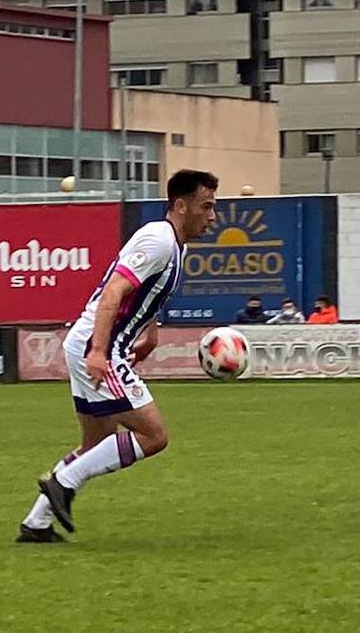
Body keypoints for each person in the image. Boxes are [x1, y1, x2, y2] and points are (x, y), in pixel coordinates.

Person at [17, 169, 218, 544]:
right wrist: (99, 352)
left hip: (95, 344)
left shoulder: (175, 245)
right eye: (206, 207)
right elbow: (113, 292)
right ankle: (63, 481)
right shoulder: (158, 240)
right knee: (154, 435)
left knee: (97, 445)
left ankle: (36, 524)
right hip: (99, 346)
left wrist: (150, 332)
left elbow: (144, 292)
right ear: (180, 205)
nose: (212, 216)